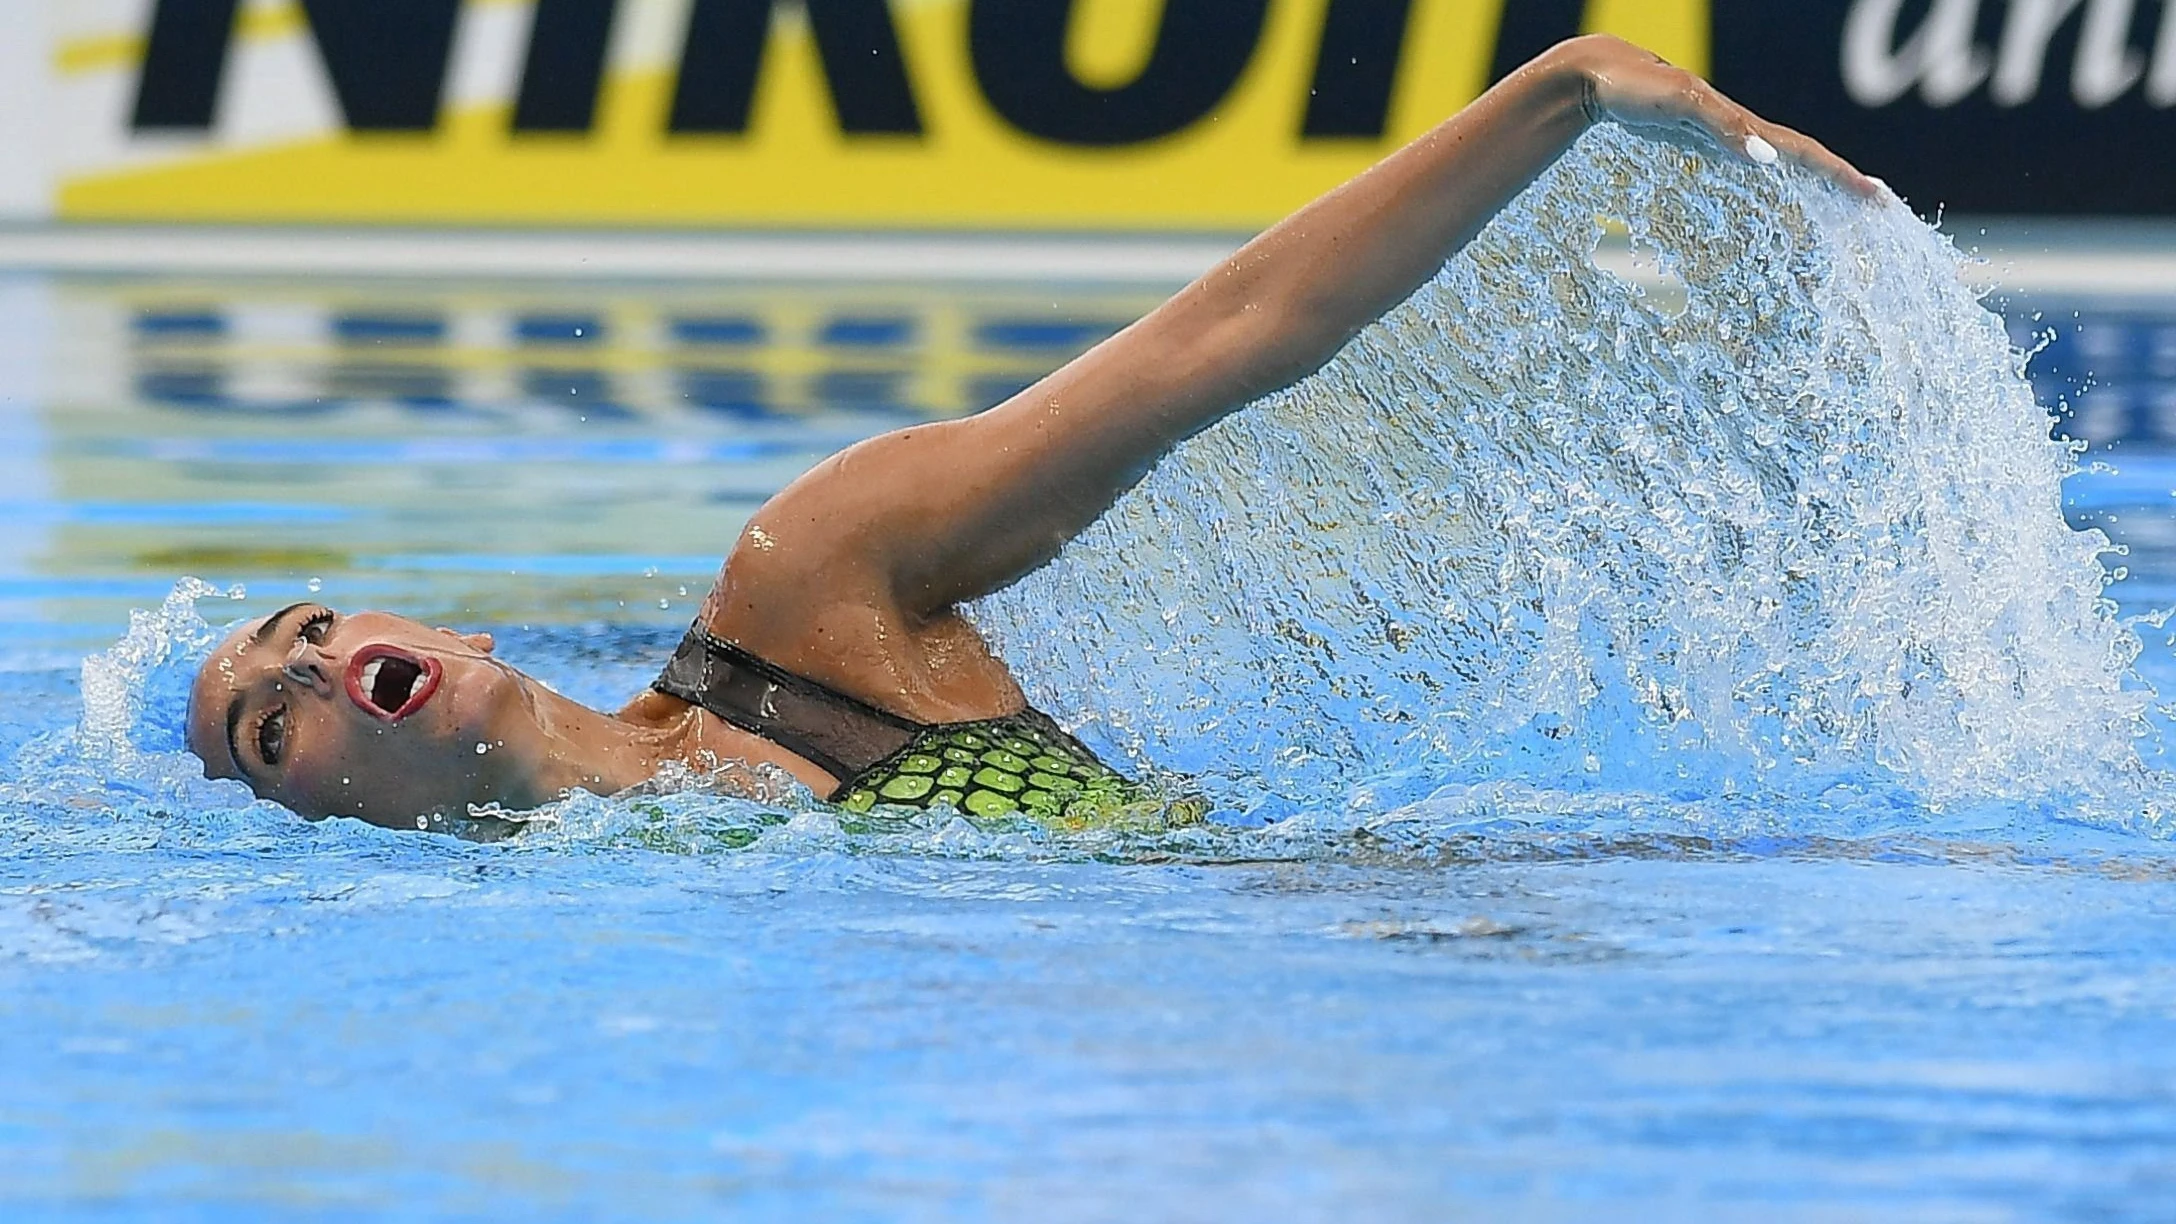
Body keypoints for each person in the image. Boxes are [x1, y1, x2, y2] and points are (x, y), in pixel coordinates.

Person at [185, 36, 1876, 829]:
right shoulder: (537, 969)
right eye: (273, 728)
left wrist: (1554, 97)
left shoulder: (808, 598)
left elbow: (1218, 344)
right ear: (325, 827)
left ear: (451, 629)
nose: (316, 670)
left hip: (1362, 931)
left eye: (309, 628)